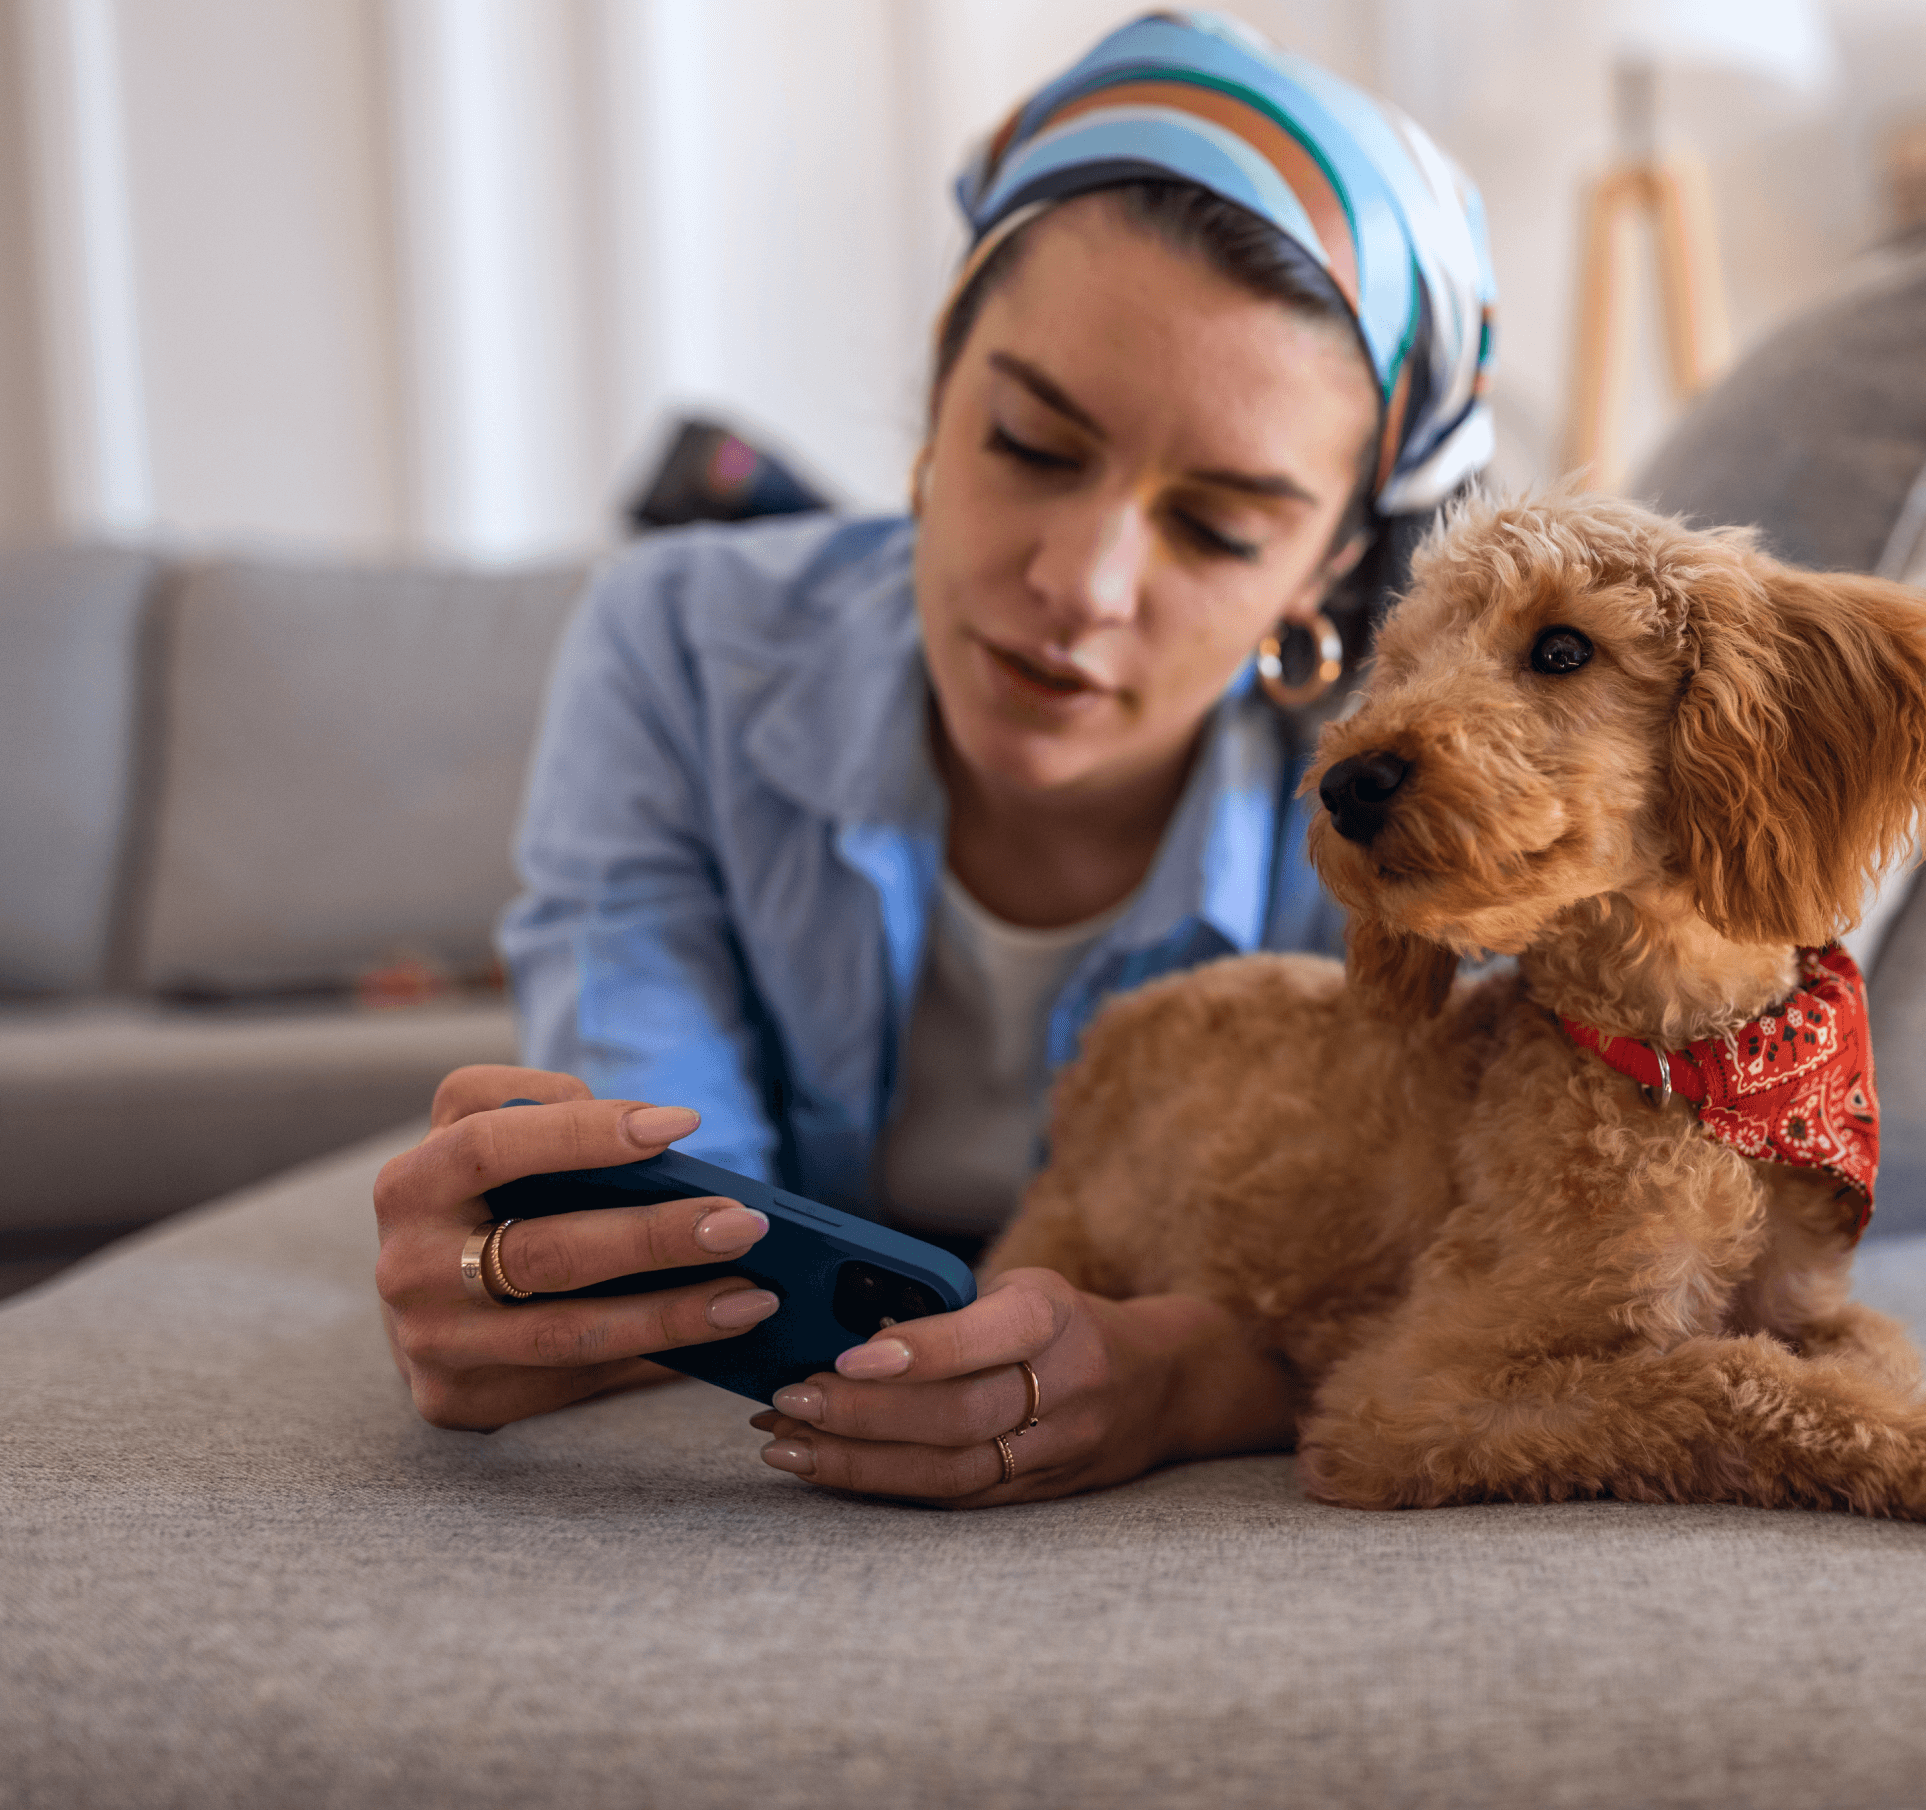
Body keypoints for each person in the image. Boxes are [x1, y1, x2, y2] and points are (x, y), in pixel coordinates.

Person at [370, 12, 1496, 1506]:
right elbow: (656, 1171)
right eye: (1032, 442)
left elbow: (1468, 1263)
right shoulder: (675, 648)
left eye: (1220, 528)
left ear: (1327, 566)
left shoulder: (1401, 799)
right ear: (933, 403)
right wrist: (550, 1275)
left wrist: (1183, 1370)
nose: (1085, 583)